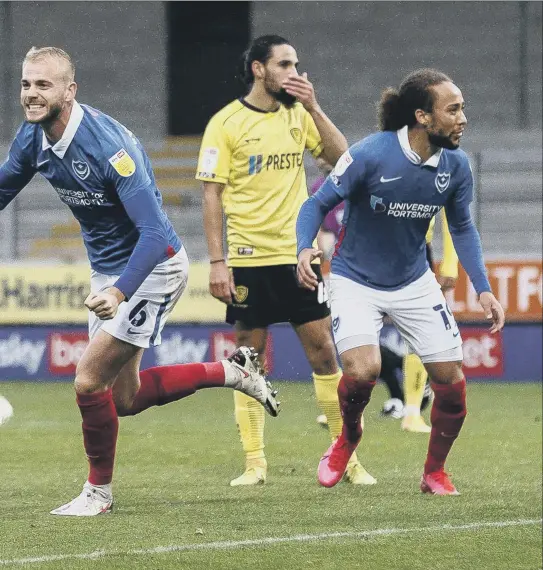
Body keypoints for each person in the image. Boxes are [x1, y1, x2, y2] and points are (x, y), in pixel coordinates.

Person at [0, 46, 279, 516]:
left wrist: (118, 291)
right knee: (122, 399)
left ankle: (98, 494)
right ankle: (234, 372)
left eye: (43, 85)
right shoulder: (32, 138)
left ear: (69, 91)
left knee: (88, 381)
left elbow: (153, 235)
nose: (31, 93)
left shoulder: (109, 147)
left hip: (154, 266)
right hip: (111, 269)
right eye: (26, 84)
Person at [296, 68, 505, 495]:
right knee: (363, 368)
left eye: (462, 107)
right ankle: (348, 437)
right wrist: (304, 248)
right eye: (453, 109)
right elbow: (315, 205)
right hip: (355, 279)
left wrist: (482, 287)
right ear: (423, 117)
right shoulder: (371, 154)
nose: (463, 117)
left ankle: (434, 472)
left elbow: (462, 228)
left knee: (451, 380)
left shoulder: (456, 166)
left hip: (414, 280)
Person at [196, 35, 375, 487]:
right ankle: (254, 463)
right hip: (249, 260)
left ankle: (346, 460)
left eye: (297, 64)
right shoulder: (226, 123)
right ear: (259, 68)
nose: (296, 72)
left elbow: (342, 159)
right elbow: (211, 195)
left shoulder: (299, 115)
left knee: (324, 354)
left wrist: (315, 107)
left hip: (298, 256)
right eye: (285, 64)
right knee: (248, 360)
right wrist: (218, 262)